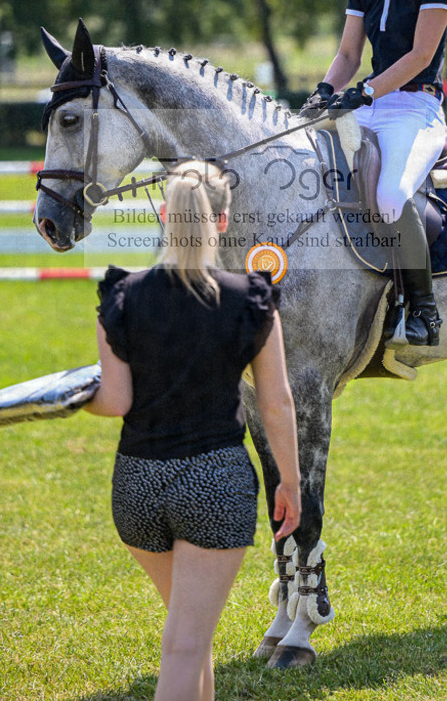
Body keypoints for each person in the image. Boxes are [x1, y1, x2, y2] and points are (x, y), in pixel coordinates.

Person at [84, 161, 301, 701]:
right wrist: (291, 482)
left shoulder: (121, 296)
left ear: (164, 215)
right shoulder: (251, 300)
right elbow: (276, 403)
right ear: (222, 222)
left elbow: (114, 400)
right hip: (214, 484)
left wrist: (67, 399)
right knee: (184, 644)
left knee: (192, 637)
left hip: (135, 487)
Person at [300, 0, 447, 346]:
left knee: (390, 195)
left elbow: (420, 56)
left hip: (415, 106)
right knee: (309, 169)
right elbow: (348, 55)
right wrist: (324, 92)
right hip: (370, 103)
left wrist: (367, 91)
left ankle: (423, 310)